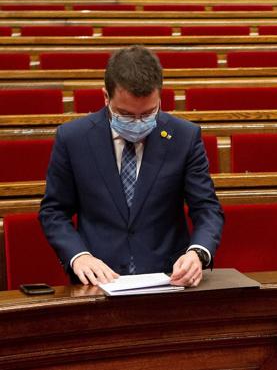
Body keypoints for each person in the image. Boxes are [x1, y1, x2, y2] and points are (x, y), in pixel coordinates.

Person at [39, 45, 224, 287]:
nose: (138, 123)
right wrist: (78, 256)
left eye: (148, 114)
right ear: (106, 97)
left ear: (160, 96)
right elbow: (53, 211)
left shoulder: (184, 137)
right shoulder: (73, 138)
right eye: (126, 115)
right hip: (98, 281)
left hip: (168, 279)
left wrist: (197, 253)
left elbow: (207, 208)